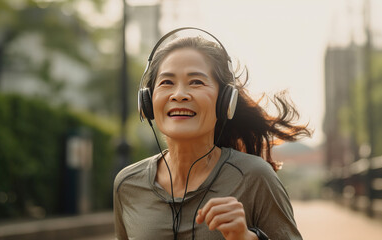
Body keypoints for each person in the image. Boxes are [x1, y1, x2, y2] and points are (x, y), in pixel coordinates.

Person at [114, 28, 311, 240]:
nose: (179, 94)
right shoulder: (127, 184)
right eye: (167, 82)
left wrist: (248, 238)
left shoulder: (255, 177)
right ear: (148, 101)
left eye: (196, 82)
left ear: (225, 101)